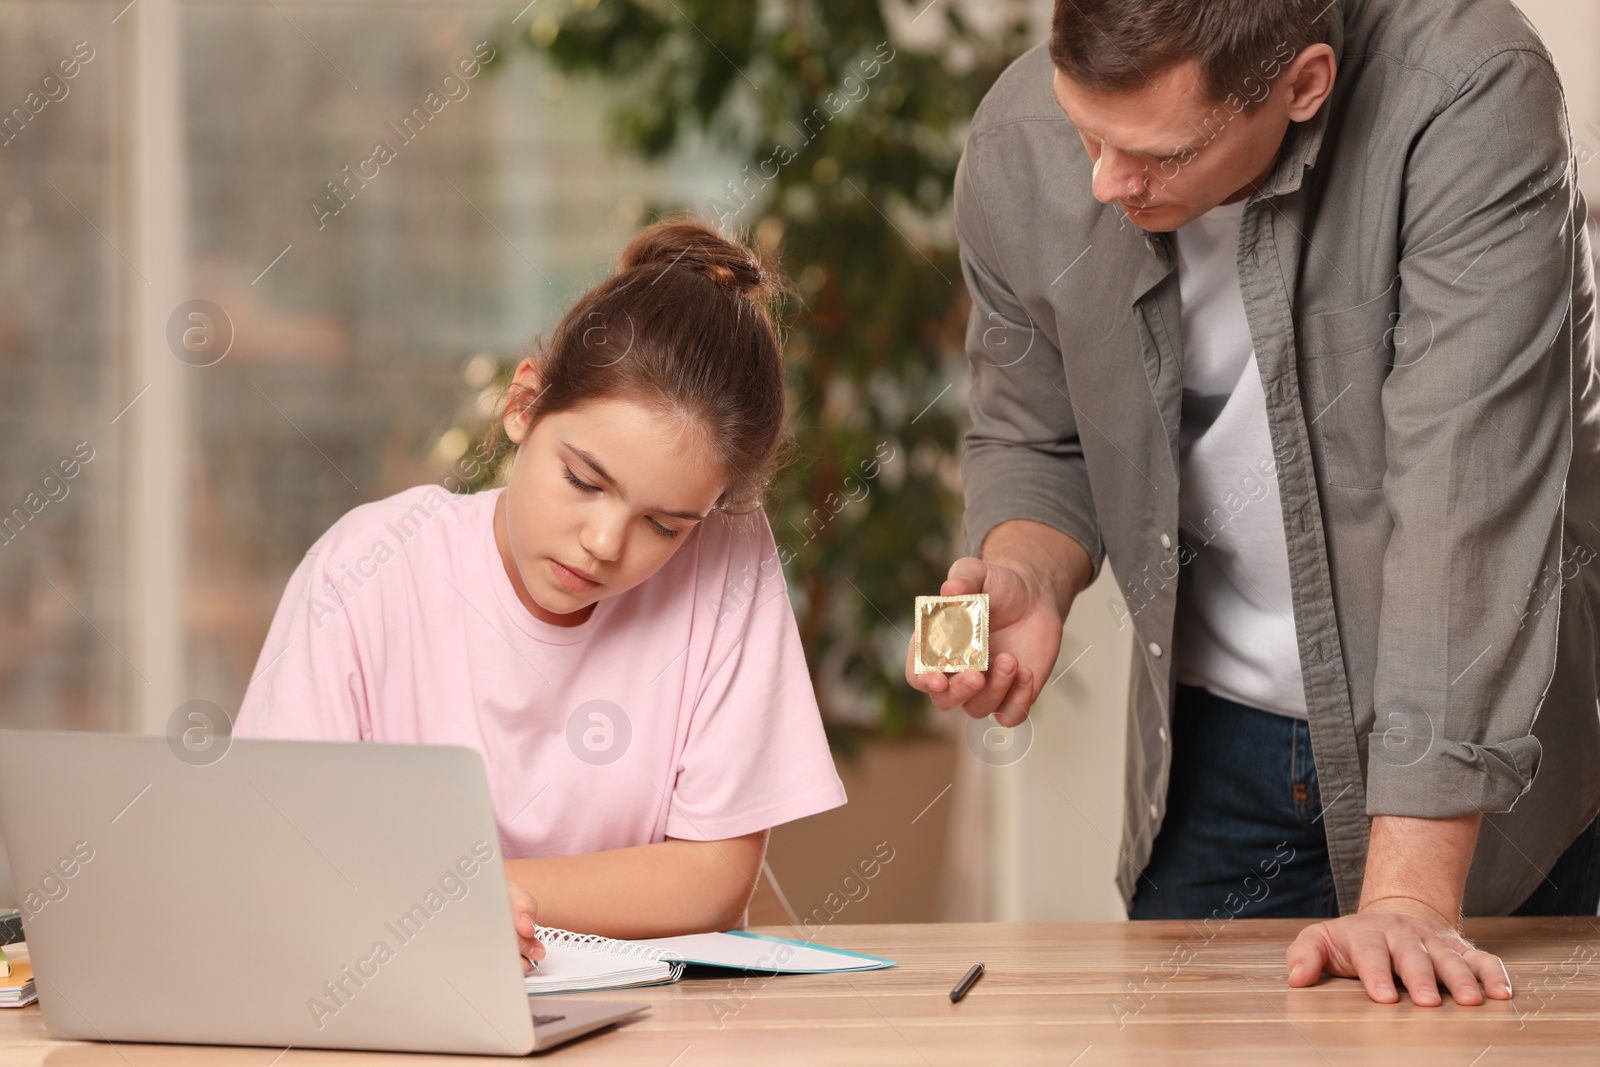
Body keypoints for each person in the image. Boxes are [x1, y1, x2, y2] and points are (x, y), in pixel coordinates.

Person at [909, 0, 1600, 1008]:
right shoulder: (1021, 138)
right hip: (1210, 758)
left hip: (1475, 766)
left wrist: (1407, 896)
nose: (1104, 179)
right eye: (1088, 135)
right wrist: (1024, 567)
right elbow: (1032, 432)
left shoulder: (1467, 92)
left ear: (1303, 85)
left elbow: (1467, 504)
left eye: (1156, 154)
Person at [236, 219, 846, 971]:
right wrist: (453, 902)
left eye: (664, 524)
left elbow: (712, 878)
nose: (605, 544)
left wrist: (467, 892)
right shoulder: (364, 567)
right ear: (524, 404)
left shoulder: (727, 557)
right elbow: (279, 850)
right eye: (584, 482)